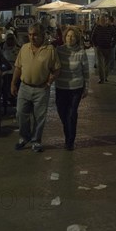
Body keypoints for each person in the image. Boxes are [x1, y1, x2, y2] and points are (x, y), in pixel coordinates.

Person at [11, 23, 60, 152]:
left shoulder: (50, 50)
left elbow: (56, 69)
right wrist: (13, 83)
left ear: (42, 35)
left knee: (39, 117)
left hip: (41, 89)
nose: (32, 38)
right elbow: (18, 67)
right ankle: (24, 137)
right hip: (24, 87)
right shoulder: (24, 48)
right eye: (30, 35)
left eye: (35, 35)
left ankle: (36, 141)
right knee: (21, 113)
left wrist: (49, 82)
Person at [55, 26, 89, 150]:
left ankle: (70, 140)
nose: (70, 38)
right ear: (64, 37)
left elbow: (86, 71)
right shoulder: (59, 50)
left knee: (72, 113)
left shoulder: (81, 52)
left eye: (73, 36)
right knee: (62, 112)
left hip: (76, 87)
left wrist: (86, 88)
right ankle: (68, 132)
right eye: (68, 36)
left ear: (77, 38)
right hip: (61, 87)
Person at [91, 15, 116, 83]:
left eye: (105, 20)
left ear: (107, 20)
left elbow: (115, 37)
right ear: (100, 21)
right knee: (100, 64)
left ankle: (105, 77)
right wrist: (96, 45)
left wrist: (112, 44)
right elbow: (93, 37)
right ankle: (102, 78)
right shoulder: (97, 27)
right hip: (100, 47)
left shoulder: (110, 27)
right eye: (102, 20)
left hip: (108, 47)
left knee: (106, 64)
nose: (103, 21)